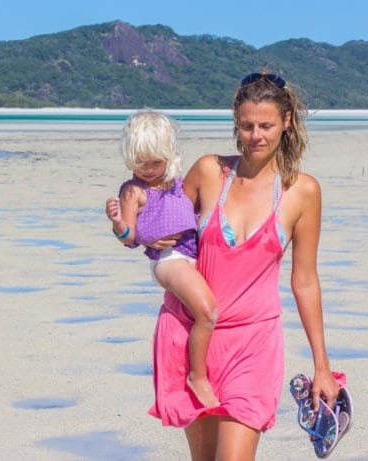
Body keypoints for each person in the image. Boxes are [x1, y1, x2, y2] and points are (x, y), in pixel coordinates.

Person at [147, 71, 340, 460]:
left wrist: (323, 366)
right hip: (190, 337)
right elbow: (157, 227)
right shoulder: (208, 172)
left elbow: (304, 281)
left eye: (267, 125)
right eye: (247, 125)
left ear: (286, 122)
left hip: (252, 344)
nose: (256, 135)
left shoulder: (303, 192)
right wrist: (134, 231)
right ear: (236, 122)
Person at [105, 110, 220, 408]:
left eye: (155, 162)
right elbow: (129, 238)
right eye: (140, 162)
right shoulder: (133, 191)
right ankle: (197, 376)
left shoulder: (175, 183)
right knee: (207, 313)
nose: (148, 169)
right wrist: (120, 225)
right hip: (168, 260)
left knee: (205, 312)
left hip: (191, 255)